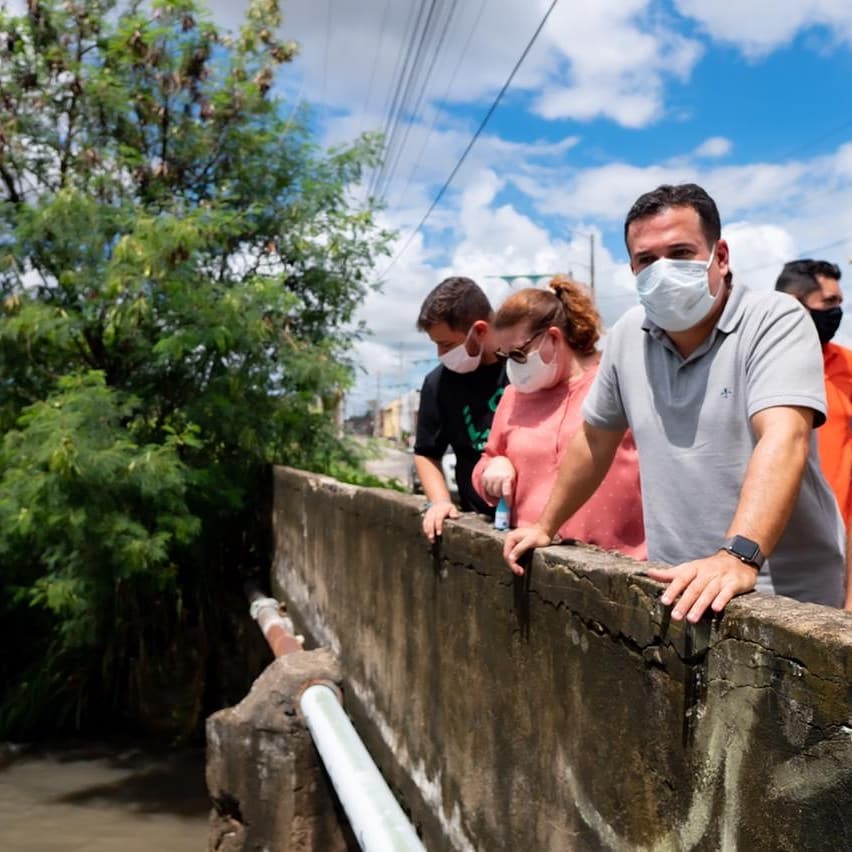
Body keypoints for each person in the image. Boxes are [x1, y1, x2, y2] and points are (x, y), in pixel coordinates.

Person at [504, 183, 849, 619]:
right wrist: (544, 526)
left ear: (720, 257)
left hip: (782, 595)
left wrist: (738, 555)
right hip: (677, 583)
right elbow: (594, 440)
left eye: (681, 253)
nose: (663, 270)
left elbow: (784, 437)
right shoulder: (628, 336)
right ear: (631, 268)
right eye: (646, 259)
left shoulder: (774, 319)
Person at [471, 279, 645, 559]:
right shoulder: (512, 397)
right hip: (536, 565)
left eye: (519, 353)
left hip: (622, 565)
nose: (513, 365)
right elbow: (484, 466)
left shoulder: (611, 383)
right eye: (506, 356)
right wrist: (493, 467)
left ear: (553, 337)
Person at [414, 276, 508, 543]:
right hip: (477, 524)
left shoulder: (522, 369)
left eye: (446, 344)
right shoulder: (438, 384)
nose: (439, 354)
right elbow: (426, 453)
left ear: (479, 330)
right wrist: (440, 501)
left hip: (531, 522)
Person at [775, 260, 852, 526]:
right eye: (829, 301)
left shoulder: (847, 363)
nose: (837, 311)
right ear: (794, 303)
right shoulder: (757, 363)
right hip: (773, 536)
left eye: (839, 301)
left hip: (840, 533)